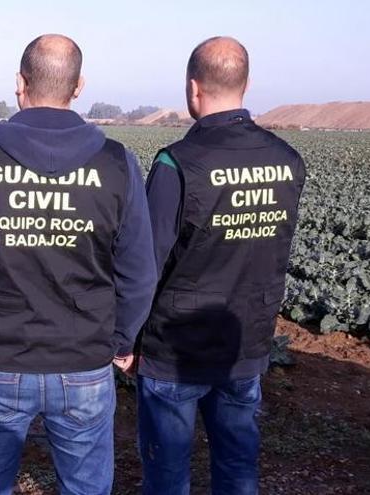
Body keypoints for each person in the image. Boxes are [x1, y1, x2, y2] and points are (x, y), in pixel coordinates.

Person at [0, 34, 156, 495]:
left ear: (20, 82)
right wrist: (121, 338)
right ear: (78, 87)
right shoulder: (117, 164)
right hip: (86, 363)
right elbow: (139, 272)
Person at [136, 36, 307, 494]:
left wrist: (126, 336)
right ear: (246, 86)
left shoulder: (177, 163)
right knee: (237, 467)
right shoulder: (288, 161)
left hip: (178, 348)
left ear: (193, 89)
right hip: (244, 342)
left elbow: (148, 261)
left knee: (168, 475)